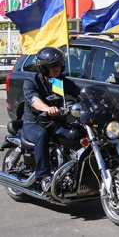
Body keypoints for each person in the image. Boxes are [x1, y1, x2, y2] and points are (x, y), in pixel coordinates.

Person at [22, 47, 80, 192]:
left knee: (78, 132)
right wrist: (47, 108)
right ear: (43, 67)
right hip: (34, 123)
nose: (57, 68)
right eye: (53, 66)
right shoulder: (32, 81)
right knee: (42, 134)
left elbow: (81, 94)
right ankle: (44, 177)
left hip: (56, 122)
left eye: (59, 64)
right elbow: (34, 100)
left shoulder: (61, 82)